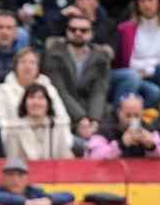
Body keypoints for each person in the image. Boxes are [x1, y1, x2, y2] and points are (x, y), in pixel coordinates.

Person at [45, 14, 112, 144]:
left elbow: (99, 90)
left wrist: (94, 119)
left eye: (83, 30)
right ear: (67, 31)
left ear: (91, 34)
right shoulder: (53, 54)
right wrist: (81, 118)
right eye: (73, 29)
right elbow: (59, 90)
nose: (78, 33)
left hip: (91, 111)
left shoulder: (102, 57)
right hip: (63, 110)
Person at [0, 157, 75, 205]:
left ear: (27, 178)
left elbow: (69, 195)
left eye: (20, 175)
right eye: (10, 175)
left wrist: (48, 201)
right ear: (3, 178)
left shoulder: (34, 192)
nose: (15, 179)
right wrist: (25, 203)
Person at [2, 82, 75, 160]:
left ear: (48, 104)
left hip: (53, 171)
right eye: (31, 97)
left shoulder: (56, 126)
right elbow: (12, 162)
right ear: (24, 103)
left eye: (41, 98)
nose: (36, 102)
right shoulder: (14, 129)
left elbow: (67, 159)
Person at [87, 93, 160, 159]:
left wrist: (151, 146)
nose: (132, 120)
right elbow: (94, 156)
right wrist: (121, 144)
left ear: (142, 114)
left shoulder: (148, 128)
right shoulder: (105, 128)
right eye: (128, 115)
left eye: (136, 116)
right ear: (119, 112)